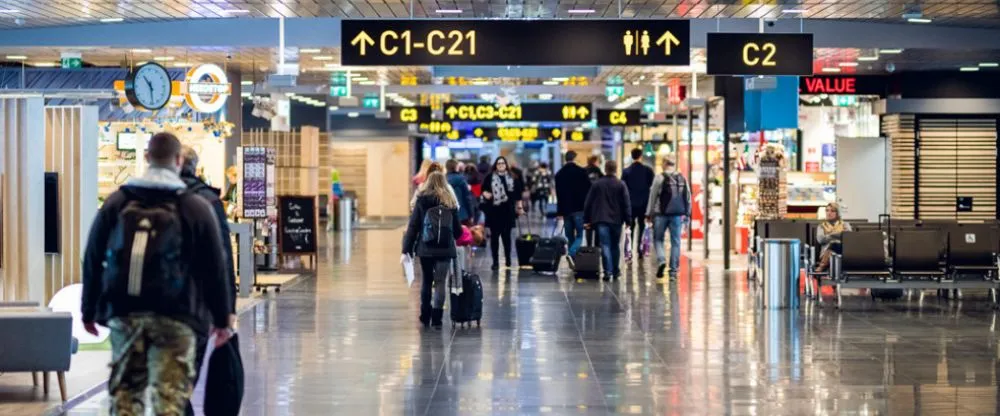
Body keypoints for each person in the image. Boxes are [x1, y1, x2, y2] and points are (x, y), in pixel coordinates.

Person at [82, 132, 233, 416]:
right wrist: (222, 318)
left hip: (126, 313)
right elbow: (216, 267)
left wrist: (89, 309)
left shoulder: (117, 202)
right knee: (169, 402)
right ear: (178, 161)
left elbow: (92, 257)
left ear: (147, 158)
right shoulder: (195, 207)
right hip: (177, 316)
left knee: (126, 397)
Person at [180, 146, 238, 415]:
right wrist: (226, 312)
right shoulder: (208, 202)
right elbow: (222, 258)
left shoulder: (141, 198)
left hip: (155, 306)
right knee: (183, 377)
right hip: (198, 305)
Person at [401, 171, 462, 328]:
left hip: (426, 248)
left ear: (428, 182)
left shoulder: (422, 201)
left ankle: (425, 315)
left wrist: (406, 249)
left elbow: (413, 227)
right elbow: (458, 232)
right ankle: (437, 318)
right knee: (440, 282)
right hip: (445, 249)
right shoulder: (450, 201)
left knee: (427, 281)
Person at [583, 160, 632, 280]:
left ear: (605, 169)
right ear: (616, 170)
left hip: (601, 219)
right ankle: (615, 270)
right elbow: (626, 204)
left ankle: (607, 271)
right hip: (616, 220)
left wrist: (587, 220)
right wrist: (628, 221)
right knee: (615, 245)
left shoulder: (597, 184)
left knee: (605, 245)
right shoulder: (621, 184)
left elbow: (588, 203)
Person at [646, 156, 691, 279]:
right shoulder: (682, 178)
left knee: (658, 239)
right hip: (677, 215)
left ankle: (661, 260)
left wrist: (649, 214)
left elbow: (653, 196)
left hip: (661, 214)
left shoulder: (659, 177)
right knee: (676, 242)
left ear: (664, 164)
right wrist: (687, 214)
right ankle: (673, 272)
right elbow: (688, 197)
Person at [480, 156, 524, 271]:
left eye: (503, 163)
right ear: (495, 165)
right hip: (494, 211)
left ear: (506, 165)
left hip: (508, 211)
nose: (501, 165)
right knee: (494, 238)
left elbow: (518, 195)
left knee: (507, 238)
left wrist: (519, 207)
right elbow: (483, 189)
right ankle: (495, 262)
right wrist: (486, 194)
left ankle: (508, 259)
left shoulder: (512, 177)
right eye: (498, 163)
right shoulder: (489, 177)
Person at [555, 151, 591, 265]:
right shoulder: (582, 172)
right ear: (575, 158)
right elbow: (588, 191)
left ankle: (573, 260)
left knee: (570, 236)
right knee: (580, 235)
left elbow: (558, 194)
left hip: (566, 210)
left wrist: (559, 211)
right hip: (579, 209)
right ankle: (571, 253)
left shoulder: (559, 174)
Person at [621, 148, 654, 258]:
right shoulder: (648, 171)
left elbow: (623, 189)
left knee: (630, 227)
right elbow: (652, 187)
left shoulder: (626, 171)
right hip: (644, 203)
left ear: (632, 156)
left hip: (630, 204)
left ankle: (629, 250)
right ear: (641, 156)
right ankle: (640, 250)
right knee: (641, 225)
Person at [815, 203, 852, 272]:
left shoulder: (845, 224)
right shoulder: (821, 226)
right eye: (827, 210)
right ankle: (824, 265)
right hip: (826, 252)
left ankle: (822, 266)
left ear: (837, 213)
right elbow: (821, 239)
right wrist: (838, 234)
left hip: (843, 251)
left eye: (832, 211)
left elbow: (849, 237)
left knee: (835, 244)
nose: (829, 213)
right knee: (833, 245)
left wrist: (830, 234)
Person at [445, 159, 475, 224]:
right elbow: (467, 198)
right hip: (462, 214)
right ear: (456, 167)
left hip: (447, 215)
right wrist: (471, 215)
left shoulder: (443, 179)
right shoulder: (461, 179)